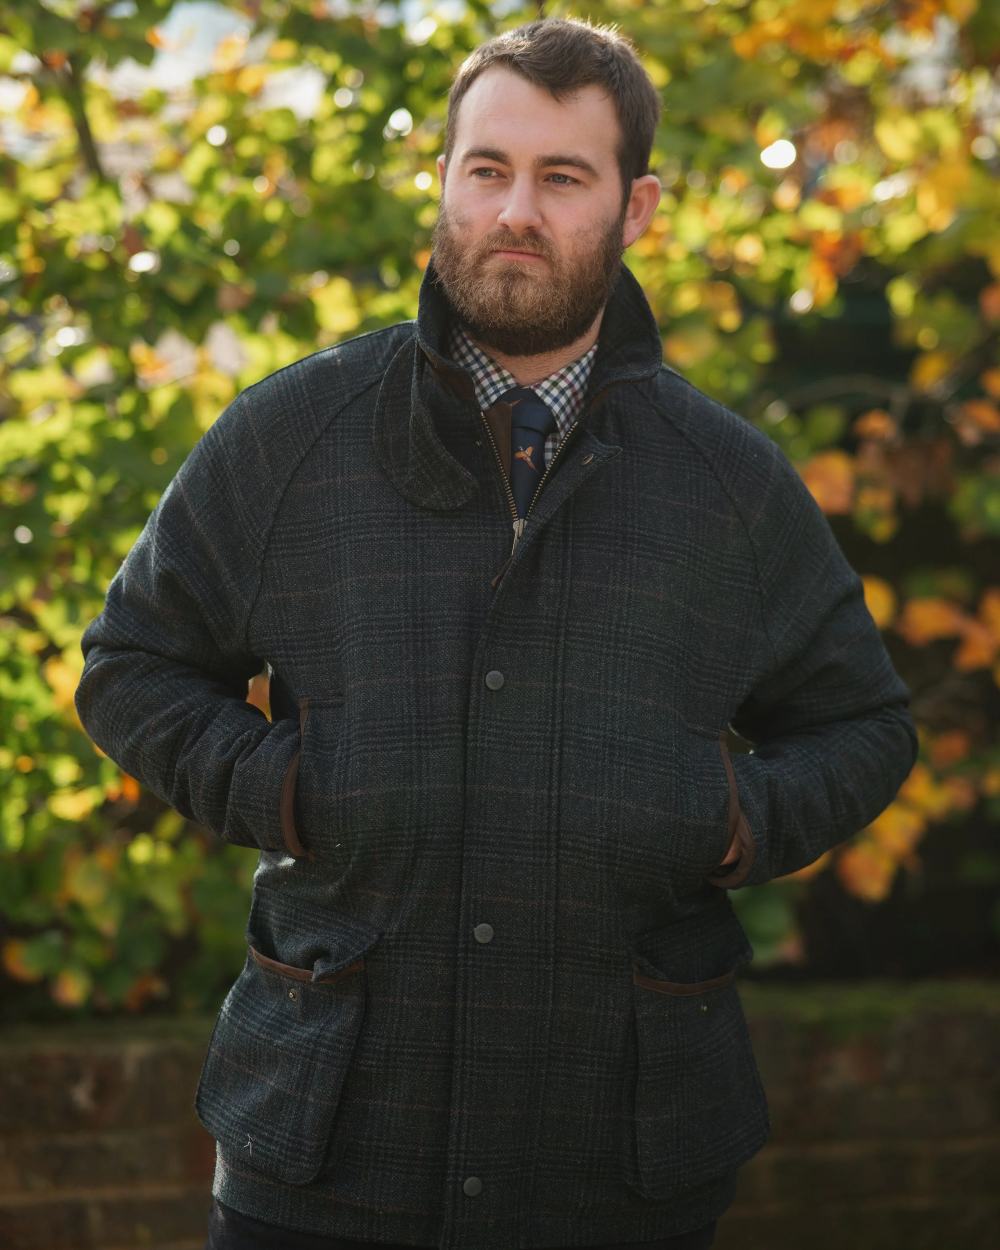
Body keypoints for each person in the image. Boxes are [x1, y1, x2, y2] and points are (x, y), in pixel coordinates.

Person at [74, 16, 918, 1250]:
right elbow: (130, 666)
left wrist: (729, 815)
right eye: (487, 168)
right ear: (446, 181)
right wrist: (287, 783)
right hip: (326, 1146)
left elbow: (863, 723)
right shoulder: (291, 436)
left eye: (561, 177)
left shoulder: (727, 483)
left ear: (636, 210)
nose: (514, 209)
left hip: (619, 1162)